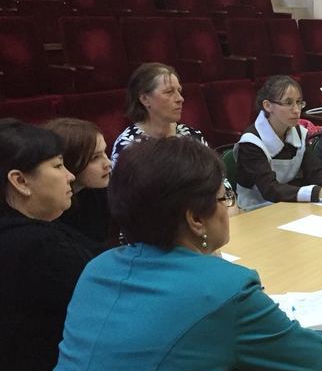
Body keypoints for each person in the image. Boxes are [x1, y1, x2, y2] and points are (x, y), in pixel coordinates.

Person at [56, 137, 322, 370]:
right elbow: (313, 359)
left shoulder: (96, 269)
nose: (227, 207)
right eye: (224, 197)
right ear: (196, 219)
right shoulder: (225, 290)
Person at [0, 119, 96, 371]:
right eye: (58, 165)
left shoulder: (40, 232)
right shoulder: (39, 248)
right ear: (20, 181)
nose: (70, 176)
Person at [235, 75, 322, 210]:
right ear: (268, 106)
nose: (296, 110)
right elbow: (270, 189)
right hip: (255, 208)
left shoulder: (300, 133)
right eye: (288, 103)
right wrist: (320, 192)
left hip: (287, 204)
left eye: (299, 102)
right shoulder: (251, 142)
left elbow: (315, 171)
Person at [111, 62, 207, 165]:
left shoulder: (192, 136)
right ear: (145, 99)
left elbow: (214, 173)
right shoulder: (128, 145)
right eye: (169, 92)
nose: (180, 99)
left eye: (179, 91)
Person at [43, 118, 117, 249]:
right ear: (68, 162)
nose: (108, 163)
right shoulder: (52, 211)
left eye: (104, 153)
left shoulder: (100, 190)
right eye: (95, 158)